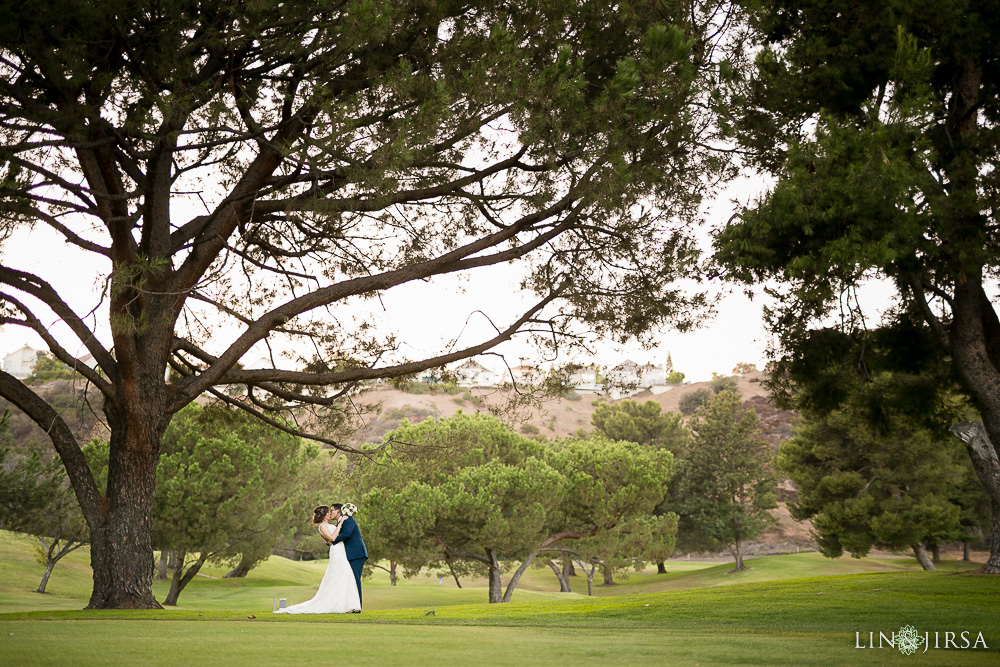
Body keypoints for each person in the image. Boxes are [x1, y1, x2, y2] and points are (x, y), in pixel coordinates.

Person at [273, 505, 361, 614]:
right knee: (339, 574)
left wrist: (339, 525)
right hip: (336, 552)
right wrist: (341, 523)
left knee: (345, 574)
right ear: (324, 515)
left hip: (341, 551)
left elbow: (330, 540)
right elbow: (332, 539)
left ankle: (347, 604)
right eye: (328, 512)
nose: (330, 513)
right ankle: (337, 604)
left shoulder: (330, 525)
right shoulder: (322, 526)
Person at [328, 502, 368, 607]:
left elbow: (346, 534)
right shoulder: (340, 522)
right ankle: (350, 604)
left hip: (356, 554)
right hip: (348, 555)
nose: (330, 512)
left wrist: (333, 540)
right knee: (349, 580)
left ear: (338, 511)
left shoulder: (349, 520)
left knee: (355, 579)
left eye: (332, 510)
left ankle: (358, 606)